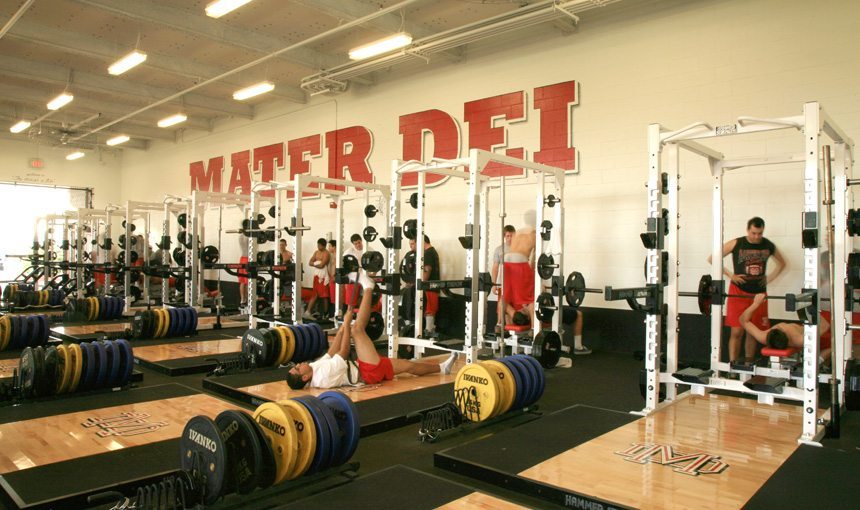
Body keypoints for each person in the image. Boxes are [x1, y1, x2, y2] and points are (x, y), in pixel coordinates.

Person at [286, 271, 458, 389]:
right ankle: (368, 287)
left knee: (409, 366)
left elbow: (331, 352)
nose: (300, 364)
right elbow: (344, 352)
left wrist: (340, 331)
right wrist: (346, 326)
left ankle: (442, 368)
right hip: (367, 371)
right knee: (357, 330)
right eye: (298, 369)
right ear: (305, 378)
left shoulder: (314, 368)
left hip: (367, 367)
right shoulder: (322, 376)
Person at [707, 217, 786, 362]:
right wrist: (731, 275)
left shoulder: (768, 245)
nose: (756, 237)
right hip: (738, 292)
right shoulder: (737, 243)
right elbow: (712, 258)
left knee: (753, 332)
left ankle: (748, 366)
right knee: (737, 331)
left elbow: (782, 263)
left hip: (759, 294)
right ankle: (733, 366)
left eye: (759, 233)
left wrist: (769, 278)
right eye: (754, 233)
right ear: (748, 230)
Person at [740, 293, 832, 361]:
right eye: (780, 329)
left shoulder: (763, 336)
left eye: (776, 328)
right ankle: (819, 362)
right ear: (787, 336)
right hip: (819, 332)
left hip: (813, 327)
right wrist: (811, 306)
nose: (780, 326)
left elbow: (743, 320)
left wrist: (756, 303)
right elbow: (825, 326)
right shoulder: (799, 340)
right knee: (836, 345)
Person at [499, 211, 537, 330]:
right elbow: (534, 259)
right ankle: (533, 328)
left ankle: (499, 324)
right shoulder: (535, 233)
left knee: (504, 297)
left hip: (506, 261)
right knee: (530, 298)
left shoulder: (519, 231)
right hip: (520, 261)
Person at [409, 234, 440, 336]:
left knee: (429, 309)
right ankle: (428, 330)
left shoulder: (428, 253)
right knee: (429, 309)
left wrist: (421, 284)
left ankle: (429, 330)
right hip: (431, 287)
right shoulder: (432, 252)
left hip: (429, 286)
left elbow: (427, 270)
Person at [492, 225, 515, 330]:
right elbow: (495, 267)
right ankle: (500, 326)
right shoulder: (499, 249)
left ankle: (512, 332)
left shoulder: (519, 248)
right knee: (501, 306)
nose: (510, 238)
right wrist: (493, 284)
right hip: (503, 283)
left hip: (515, 285)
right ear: (504, 237)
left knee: (511, 308)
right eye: (508, 236)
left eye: (512, 236)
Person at [305, 238, 330, 320]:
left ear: (324, 246)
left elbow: (322, 265)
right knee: (315, 294)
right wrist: (317, 263)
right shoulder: (316, 252)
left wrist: (315, 263)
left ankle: (326, 313)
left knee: (324, 295)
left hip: (323, 277)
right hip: (316, 276)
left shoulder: (326, 253)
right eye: (317, 245)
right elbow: (309, 262)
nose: (318, 247)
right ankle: (308, 312)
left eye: (320, 245)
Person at [342, 234, 364, 308]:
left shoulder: (368, 249)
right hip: (353, 278)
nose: (358, 245)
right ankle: (350, 314)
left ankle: (359, 315)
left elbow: (376, 264)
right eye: (355, 244)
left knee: (363, 297)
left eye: (359, 242)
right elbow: (342, 264)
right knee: (351, 300)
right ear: (353, 244)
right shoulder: (349, 252)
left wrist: (373, 274)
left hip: (364, 278)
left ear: (361, 241)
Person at [238, 234, 249, 310]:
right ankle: (248, 301)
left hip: (242, 259)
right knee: (248, 281)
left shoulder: (241, 236)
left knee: (243, 282)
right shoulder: (250, 236)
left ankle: (243, 301)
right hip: (249, 259)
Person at [327, 239, 338, 316]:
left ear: (334, 247)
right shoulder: (332, 255)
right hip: (332, 278)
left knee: (335, 297)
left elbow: (336, 267)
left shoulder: (337, 255)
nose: (329, 248)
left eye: (330, 246)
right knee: (333, 297)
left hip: (334, 278)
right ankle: (334, 314)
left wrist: (334, 276)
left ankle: (336, 315)